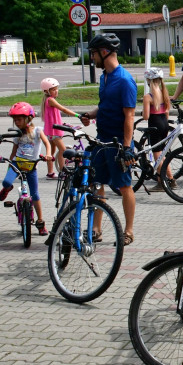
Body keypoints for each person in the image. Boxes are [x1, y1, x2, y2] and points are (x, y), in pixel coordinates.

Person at [78, 33, 137, 245]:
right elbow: (104, 106)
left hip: (117, 142)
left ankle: (128, 231)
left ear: (104, 52)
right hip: (101, 140)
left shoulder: (124, 80)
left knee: (124, 186)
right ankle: (96, 228)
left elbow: (129, 115)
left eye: (93, 53)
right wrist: (91, 115)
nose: (92, 58)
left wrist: (127, 147)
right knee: (95, 182)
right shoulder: (104, 77)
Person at [0, 102, 53, 236]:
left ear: (28, 119)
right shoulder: (17, 134)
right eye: (14, 120)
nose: (16, 122)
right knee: (6, 182)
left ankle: (40, 223)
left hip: (31, 166)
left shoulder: (38, 131)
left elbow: (46, 143)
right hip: (17, 163)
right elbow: (14, 151)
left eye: (19, 119)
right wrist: (10, 163)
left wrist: (48, 154)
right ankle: (7, 188)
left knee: (35, 195)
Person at [40, 77, 81, 178]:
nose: (56, 91)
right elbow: (63, 109)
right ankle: (63, 171)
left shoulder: (49, 100)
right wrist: (78, 115)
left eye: (57, 88)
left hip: (51, 130)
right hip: (54, 132)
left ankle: (50, 173)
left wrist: (64, 124)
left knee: (51, 152)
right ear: (47, 91)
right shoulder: (50, 100)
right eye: (53, 89)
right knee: (63, 150)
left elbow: (54, 117)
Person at [141, 68, 172, 190]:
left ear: (149, 81)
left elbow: (146, 116)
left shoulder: (148, 97)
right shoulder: (164, 93)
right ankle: (164, 179)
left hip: (154, 123)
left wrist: (143, 111)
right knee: (163, 152)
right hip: (164, 122)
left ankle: (167, 179)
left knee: (157, 155)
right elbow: (167, 112)